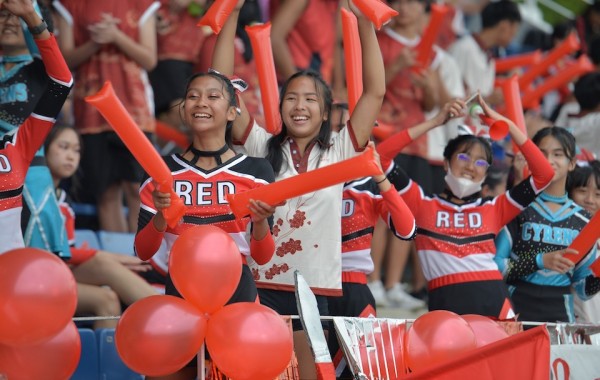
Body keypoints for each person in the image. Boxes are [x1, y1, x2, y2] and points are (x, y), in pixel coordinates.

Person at [213, 0, 385, 377]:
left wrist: (366, 25)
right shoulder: (260, 146)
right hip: (262, 283)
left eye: (311, 99)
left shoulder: (340, 151)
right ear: (280, 105)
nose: (300, 105)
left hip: (317, 287)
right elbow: (221, 89)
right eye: (291, 97)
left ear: (325, 112)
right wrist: (232, 15)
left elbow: (374, 93)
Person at [134, 69, 279, 380]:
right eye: (192, 96)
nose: (201, 102)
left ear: (231, 112)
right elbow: (143, 251)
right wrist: (161, 216)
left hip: (237, 294)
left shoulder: (256, 171)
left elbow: (264, 255)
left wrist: (262, 221)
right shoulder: (161, 172)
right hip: (178, 294)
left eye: (213, 96)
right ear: (183, 110)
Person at [377, 95, 555, 318]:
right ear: (445, 163)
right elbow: (381, 158)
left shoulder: (496, 207)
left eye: (481, 162)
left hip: (495, 303)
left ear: (486, 173)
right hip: (445, 305)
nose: (471, 166)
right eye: (463, 156)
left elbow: (544, 174)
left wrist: (507, 125)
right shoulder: (421, 203)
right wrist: (435, 122)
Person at [53, 0, 159, 232]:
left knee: (138, 190)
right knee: (105, 193)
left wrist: (116, 36)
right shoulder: (69, 5)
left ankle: (142, 258)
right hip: (91, 113)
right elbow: (63, 60)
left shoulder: (143, 4)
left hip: (134, 111)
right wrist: (95, 43)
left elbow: (150, 59)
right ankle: (119, 257)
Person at [44, 124, 158, 329]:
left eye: (76, 150)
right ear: (43, 149)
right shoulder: (30, 195)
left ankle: (162, 318)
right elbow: (53, 252)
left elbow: (65, 254)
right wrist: (107, 256)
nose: (71, 156)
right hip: (36, 274)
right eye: (63, 147)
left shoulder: (63, 200)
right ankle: (166, 316)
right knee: (104, 278)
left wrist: (101, 256)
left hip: (61, 271)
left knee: (107, 292)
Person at [495, 127, 600, 323]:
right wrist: (539, 261)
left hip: (560, 316)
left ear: (572, 163)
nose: (549, 160)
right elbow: (495, 267)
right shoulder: (516, 209)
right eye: (541, 154)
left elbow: (583, 289)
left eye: (557, 154)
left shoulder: (586, 222)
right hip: (514, 312)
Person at [0, 0, 73, 254]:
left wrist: (30, 15)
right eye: (2, 16)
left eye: (14, 16)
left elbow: (62, 80)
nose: (9, 21)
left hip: (27, 163)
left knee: (37, 265)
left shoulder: (38, 65)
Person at [448, 0, 521, 106]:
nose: (512, 38)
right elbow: (447, 94)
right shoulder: (464, 48)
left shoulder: (489, 59)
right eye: (513, 32)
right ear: (504, 26)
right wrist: (486, 99)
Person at [567, 161, 600, 324]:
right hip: (579, 332)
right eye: (582, 191)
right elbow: (582, 290)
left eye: (598, 195)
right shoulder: (566, 234)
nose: (589, 200)